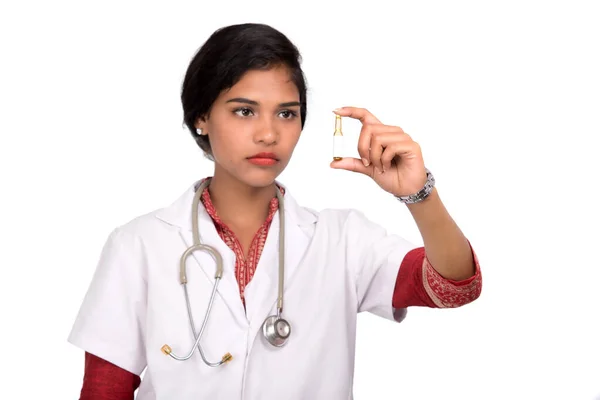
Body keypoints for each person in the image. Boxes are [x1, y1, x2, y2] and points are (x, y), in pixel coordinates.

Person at [68, 22, 482, 399]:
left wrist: (419, 194)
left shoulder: (342, 240)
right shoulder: (139, 244)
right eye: (244, 111)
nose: (269, 133)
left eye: (287, 113)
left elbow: (455, 285)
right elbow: (105, 390)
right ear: (201, 118)